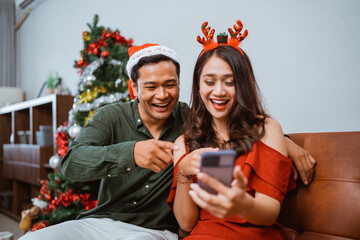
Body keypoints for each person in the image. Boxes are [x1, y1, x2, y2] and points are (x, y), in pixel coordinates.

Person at [19, 41, 314, 240]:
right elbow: (71, 163)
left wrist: (288, 142)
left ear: (182, 85)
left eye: (170, 84)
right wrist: (131, 153)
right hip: (101, 222)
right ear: (134, 88)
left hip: (153, 232)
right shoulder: (113, 117)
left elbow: (241, 126)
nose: (162, 95)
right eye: (151, 86)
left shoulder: (189, 120)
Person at [167, 20, 303, 239]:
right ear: (198, 85)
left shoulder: (267, 129)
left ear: (242, 85)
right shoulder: (183, 143)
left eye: (229, 82)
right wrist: (183, 171)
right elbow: (186, 223)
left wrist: (242, 205)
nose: (218, 91)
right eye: (209, 81)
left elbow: (269, 213)